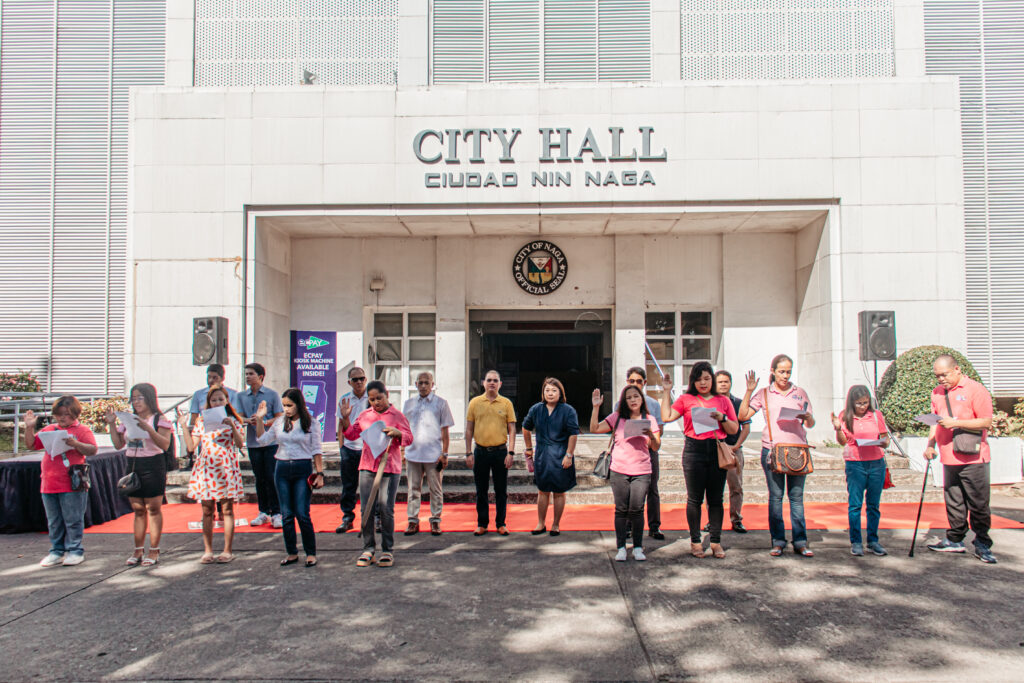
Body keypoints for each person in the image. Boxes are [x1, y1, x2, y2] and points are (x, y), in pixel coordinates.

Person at [738, 354, 816, 557]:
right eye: (781, 371)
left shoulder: (800, 393)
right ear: (772, 371)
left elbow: (810, 423)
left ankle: (800, 540)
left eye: (788, 371)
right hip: (773, 449)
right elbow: (743, 415)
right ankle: (778, 540)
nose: (785, 375)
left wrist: (807, 417)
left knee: (796, 497)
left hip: (797, 448)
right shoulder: (765, 394)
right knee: (776, 497)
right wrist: (749, 391)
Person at [661, 362, 739, 559]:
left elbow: (733, 429)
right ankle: (695, 541)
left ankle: (715, 541)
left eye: (706, 378)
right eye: (698, 379)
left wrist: (722, 417)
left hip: (716, 449)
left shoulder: (723, 400)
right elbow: (667, 416)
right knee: (694, 499)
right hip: (694, 450)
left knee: (716, 499)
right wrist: (666, 391)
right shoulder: (686, 399)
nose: (703, 383)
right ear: (692, 381)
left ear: (712, 379)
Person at [924, 354, 997, 564]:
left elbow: (986, 422)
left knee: (978, 504)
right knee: (954, 501)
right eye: (937, 376)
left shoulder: (975, 390)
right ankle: (955, 539)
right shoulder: (937, 393)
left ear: (957, 369)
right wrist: (930, 445)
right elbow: (935, 421)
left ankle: (982, 543)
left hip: (973, 457)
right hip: (949, 455)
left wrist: (957, 423)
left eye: (944, 375)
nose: (941, 380)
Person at [339, 380, 413, 567]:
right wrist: (346, 418)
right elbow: (351, 434)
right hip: (366, 467)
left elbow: (409, 438)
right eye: (372, 400)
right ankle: (368, 548)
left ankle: (387, 549)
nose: (376, 402)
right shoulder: (365, 415)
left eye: (379, 398)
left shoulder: (397, 415)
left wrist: (397, 433)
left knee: (386, 510)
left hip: (388, 468)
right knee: (367, 508)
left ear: (386, 394)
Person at [22, 396, 98, 567]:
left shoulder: (82, 430)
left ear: (75, 414)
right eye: (59, 414)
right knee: (54, 520)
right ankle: (56, 550)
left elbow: (92, 450)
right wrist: (29, 428)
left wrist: (75, 444)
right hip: (49, 481)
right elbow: (32, 444)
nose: (62, 418)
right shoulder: (50, 429)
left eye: (66, 414)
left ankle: (75, 550)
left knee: (73, 518)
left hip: (72, 481)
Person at [254, 387, 325, 567]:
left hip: (302, 467)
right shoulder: (279, 422)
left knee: (302, 513)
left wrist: (320, 473)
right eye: (284, 405)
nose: (286, 409)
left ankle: (310, 553)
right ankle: (292, 552)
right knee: (286, 515)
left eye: (290, 405)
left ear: (299, 404)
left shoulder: (311, 423)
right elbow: (263, 440)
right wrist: (260, 419)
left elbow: (317, 450)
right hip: (282, 467)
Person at [590, 384, 661, 561]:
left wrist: (650, 435)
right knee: (621, 510)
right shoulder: (617, 418)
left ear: (641, 398)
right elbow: (594, 429)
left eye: (636, 396)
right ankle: (621, 546)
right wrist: (596, 407)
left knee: (637, 509)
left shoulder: (649, 419)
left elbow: (656, 446)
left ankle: (638, 547)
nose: (633, 400)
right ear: (624, 401)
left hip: (642, 470)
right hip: (619, 469)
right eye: (628, 398)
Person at [107, 383, 173, 567]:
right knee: (137, 509)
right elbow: (118, 444)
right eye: (133, 398)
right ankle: (137, 549)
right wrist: (112, 423)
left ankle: (154, 549)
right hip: (133, 463)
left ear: (150, 398)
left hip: (153, 464)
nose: (136, 402)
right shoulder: (128, 419)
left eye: (139, 398)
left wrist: (148, 430)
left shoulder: (159, 418)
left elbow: (165, 445)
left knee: (153, 508)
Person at [178, 385, 245, 564]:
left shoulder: (233, 419)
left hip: (225, 465)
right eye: (213, 400)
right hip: (207, 466)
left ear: (226, 401)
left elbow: (240, 444)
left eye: (220, 400)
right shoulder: (201, 420)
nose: (217, 403)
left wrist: (232, 427)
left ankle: (227, 550)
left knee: (227, 509)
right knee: (207, 510)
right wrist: (184, 427)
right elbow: (192, 447)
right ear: (208, 402)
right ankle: (208, 550)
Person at [830, 385, 890, 557]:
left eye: (865, 403)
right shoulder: (845, 416)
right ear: (852, 403)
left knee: (873, 505)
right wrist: (838, 428)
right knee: (855, 504)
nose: (863, 407)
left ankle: (873, 540)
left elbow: (885, 437)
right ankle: (856, 541)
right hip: (855, 463)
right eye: (859, 403)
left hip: (876, 461)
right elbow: (842, 441)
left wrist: (884, 442)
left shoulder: (876, 415)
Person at [523, 378, 580, 537]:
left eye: (554, 390)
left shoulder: (568, 410)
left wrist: (569, 454)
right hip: (542, 455)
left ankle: (555, 524)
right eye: (547, 390)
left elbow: (573, 434)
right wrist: (529, 449)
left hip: (561, 454)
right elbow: (525, 428)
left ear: (560, 393)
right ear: (543, 392)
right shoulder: (536, 409)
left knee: (559, 492)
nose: (550, 393)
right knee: (542, 491)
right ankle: (541, 523)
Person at [614, 367, 665, 540]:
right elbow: (614, 428)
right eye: (631, 381)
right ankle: (628, 527)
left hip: (648, 451)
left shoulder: (653, 404)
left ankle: (654, 526)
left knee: (652, 489)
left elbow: (660, 430)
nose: (635, 384)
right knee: (628, 492)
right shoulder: (619, 404)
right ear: (627, 382)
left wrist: (649, 435)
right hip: (628, 453)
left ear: (645, 383)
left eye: (638, 381)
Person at [465, 370, 517, 536]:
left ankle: (501, 523)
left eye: (495, 380)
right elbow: (469, 429)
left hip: (500, 452)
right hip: (480, 452)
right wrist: (468, 452)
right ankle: (482, 524)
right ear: (483, 383)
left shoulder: (506, 403)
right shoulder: (474, 403)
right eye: (489, 380)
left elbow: (512, 429)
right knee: (481, 490)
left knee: (501, 490)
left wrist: (511, 452)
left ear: (500, 384)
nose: (492, 383)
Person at [402, 372, 454, 536]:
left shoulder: (441, 404)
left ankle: (436, 521)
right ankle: (412, 521)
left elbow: (445, 431)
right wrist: (403, 450)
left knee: (436, 490)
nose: (424, 386)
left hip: (434, 455)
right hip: (412, 454)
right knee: (413, 489)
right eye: (421, 383)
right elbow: (404, 429)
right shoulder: (408, 404)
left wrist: (445, 453)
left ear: (433, 385)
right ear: (416, 384)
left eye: (427, 383)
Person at [232, 363, 284, 529]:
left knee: (271, 476)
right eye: (246, 373)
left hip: (270, 441)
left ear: (261, 376)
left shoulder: (272, 394)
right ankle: (263, 511)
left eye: (251, 374)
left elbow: (280, 416)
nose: (248, 377)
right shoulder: (241, 396)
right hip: (253, 442)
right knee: (259, 477)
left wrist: (265, 422)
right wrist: (249, 420)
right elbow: (238, 416)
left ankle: (277, 512)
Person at [708, 371, 752, 533]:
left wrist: (737, 446)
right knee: (712, 488)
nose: (723, 384)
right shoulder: (710, 403)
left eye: (726, 381)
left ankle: (736, 518)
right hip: (714, 449)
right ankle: (711, 520)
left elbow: (746, 428)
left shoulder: (739, 403)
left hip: (733, 449)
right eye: (720, 382)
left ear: (731, 383)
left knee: (736, 487)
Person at [335, 366, 371, 534]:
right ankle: (347, 518)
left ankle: (373, 518)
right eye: (355, 379)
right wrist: (341, 446)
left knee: (370, 486)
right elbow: (341, 424)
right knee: (349, 486)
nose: (359, 382)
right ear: (349, 382)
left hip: (368, 448)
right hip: (349, 448)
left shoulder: (372, 398)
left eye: (361, 378)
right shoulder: (345, 399)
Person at [188, 364, 237, 429]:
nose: (211, 380)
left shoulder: (233, 394)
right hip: (205, 430)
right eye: (209, 377)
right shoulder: (198, 394)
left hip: (226, 430)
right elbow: (194, 417)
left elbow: (236, 415)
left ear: (222, 378)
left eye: (215, 378)